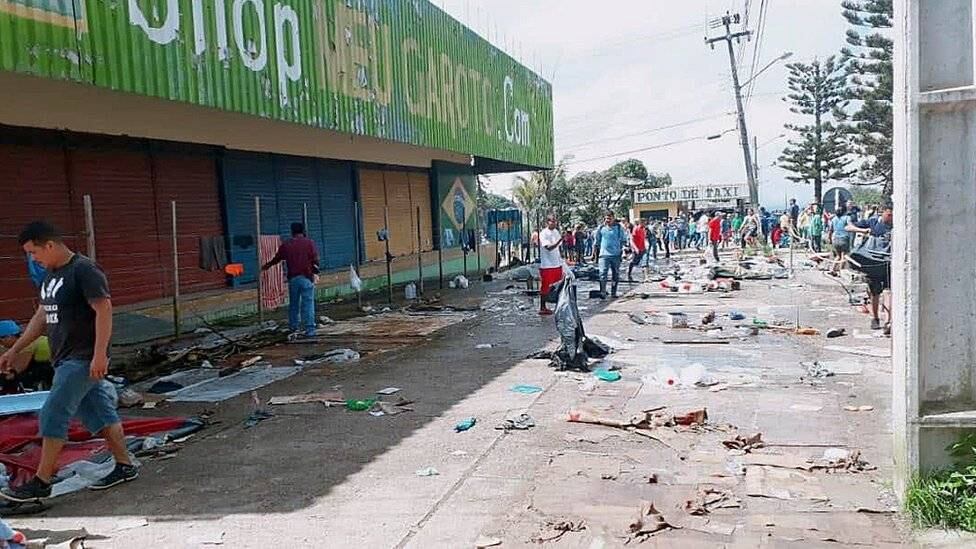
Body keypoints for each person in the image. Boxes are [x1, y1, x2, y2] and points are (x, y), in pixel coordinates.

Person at [0, 222, 137, 503]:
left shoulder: (84, 270)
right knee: (99, 413)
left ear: (49, 245)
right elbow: (41, 317)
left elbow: (104, 309)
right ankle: (125, 465)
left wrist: (100, 354)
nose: (33, 259)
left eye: (34, 252)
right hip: (63, 358)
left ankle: (41, 481)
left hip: (82, 358)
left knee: (53, 413)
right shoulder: (51, 276)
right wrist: (15, 350)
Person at [262, 223, 320, 338]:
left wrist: (267, 265)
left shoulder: (286, 244)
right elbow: (315, 259)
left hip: (293, 279)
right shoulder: (309, 243)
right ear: (303, 231)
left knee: (294, 304)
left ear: (292, 232)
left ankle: (294, 327)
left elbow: (277, 258)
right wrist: (316, 272)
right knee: (308, 304)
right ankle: (310, 330)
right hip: (306, 277)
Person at [847, 207, 893, 330]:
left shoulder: (896, 224)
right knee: (874, 293)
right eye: (889, 215)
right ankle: (875, 318)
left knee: (888, 291)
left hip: (888, 263)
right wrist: (863, 230)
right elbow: (849, 227)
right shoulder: (873, 222)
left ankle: (888, 322)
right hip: (873, 263)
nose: (891, 218)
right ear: (883, 212)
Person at [0, 320, 53, 394]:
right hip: (49, 363)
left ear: (10, 336)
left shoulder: (26, 344)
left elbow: (19, 368)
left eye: (1, 340)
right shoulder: (21, 342)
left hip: (53, 366)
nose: (1, 344)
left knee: (15, 376)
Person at [593, 211, 627, 299]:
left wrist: (623, 250)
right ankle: (603, 292)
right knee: (602, 274)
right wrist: (594, 254)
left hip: (616, 255)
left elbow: (624, 240)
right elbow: (596, 242)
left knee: (615, 275)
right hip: (603, 255)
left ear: (613, 218)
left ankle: (613, 292)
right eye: (606, 218)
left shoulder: (619, 228)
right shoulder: (601, 228)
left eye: (609, 218)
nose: (608, 220)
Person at [538, 216, 563, 315]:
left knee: (558, 285)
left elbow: (558, 248)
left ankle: (558, 304)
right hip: (547, 265)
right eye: (552, 221)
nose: (554, 223)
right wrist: (559, 240)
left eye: (555, 221)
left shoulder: (556, 232)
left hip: (557, 263)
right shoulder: (543, 233)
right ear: (547, 222)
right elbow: (548, 247)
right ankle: (542, 307)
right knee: (545, 286)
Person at [828, 206, 852, 275]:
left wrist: (829, 239)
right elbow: (850, 226)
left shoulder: (834, 219)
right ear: (845, 211)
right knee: (843, 256)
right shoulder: (847, 218)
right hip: (844, 239)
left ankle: (832, 269)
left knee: (838, 256)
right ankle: (841, 272)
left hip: (835, 239)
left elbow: (830, 231)